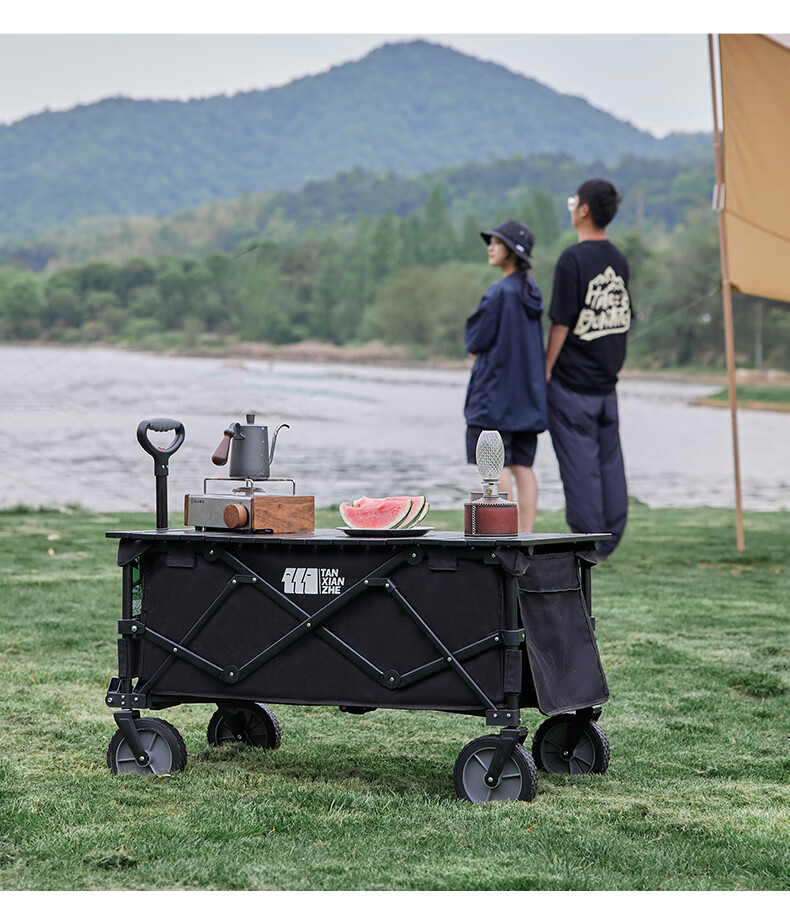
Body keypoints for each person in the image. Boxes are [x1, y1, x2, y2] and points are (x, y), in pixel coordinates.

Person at [544, 179, 632, 559]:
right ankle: (610, 537)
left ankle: (588, 542)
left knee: (579, 465)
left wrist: (545, 369)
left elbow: (562, 322)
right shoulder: (619, 259)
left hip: (572, 384)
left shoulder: (572, 260)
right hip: (607, 384)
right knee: (609, 462)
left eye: (572, 202)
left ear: (583, 210)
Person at [464, 220, 547, 532]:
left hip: (494, 396)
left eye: (497, 243)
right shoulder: (531, 292)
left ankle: (502, 535)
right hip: (527, 397)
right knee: (523, 467)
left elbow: (475, 342)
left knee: (493, 466)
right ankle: (524, 537)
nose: (490, 247)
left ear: (513, 252)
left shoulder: (499, 293)